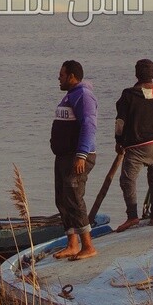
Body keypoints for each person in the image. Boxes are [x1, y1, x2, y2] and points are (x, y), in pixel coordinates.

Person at [50, 59, 98, 260]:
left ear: (71, 77)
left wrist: (81, 155)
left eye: (61, 75)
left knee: (74, 197)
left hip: (77, 157)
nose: (58, 78)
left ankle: (88, 245)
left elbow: (89, 125)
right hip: (63, 156)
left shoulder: (84, 96)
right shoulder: (70, 96)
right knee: (62, 198)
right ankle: (72, 243)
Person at [113, 58, 153, 232]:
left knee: (127, 180)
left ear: (136, 74)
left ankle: (132, 216)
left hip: (137, 146)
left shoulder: (128, 95)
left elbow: (120, 122)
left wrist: (118, 142)